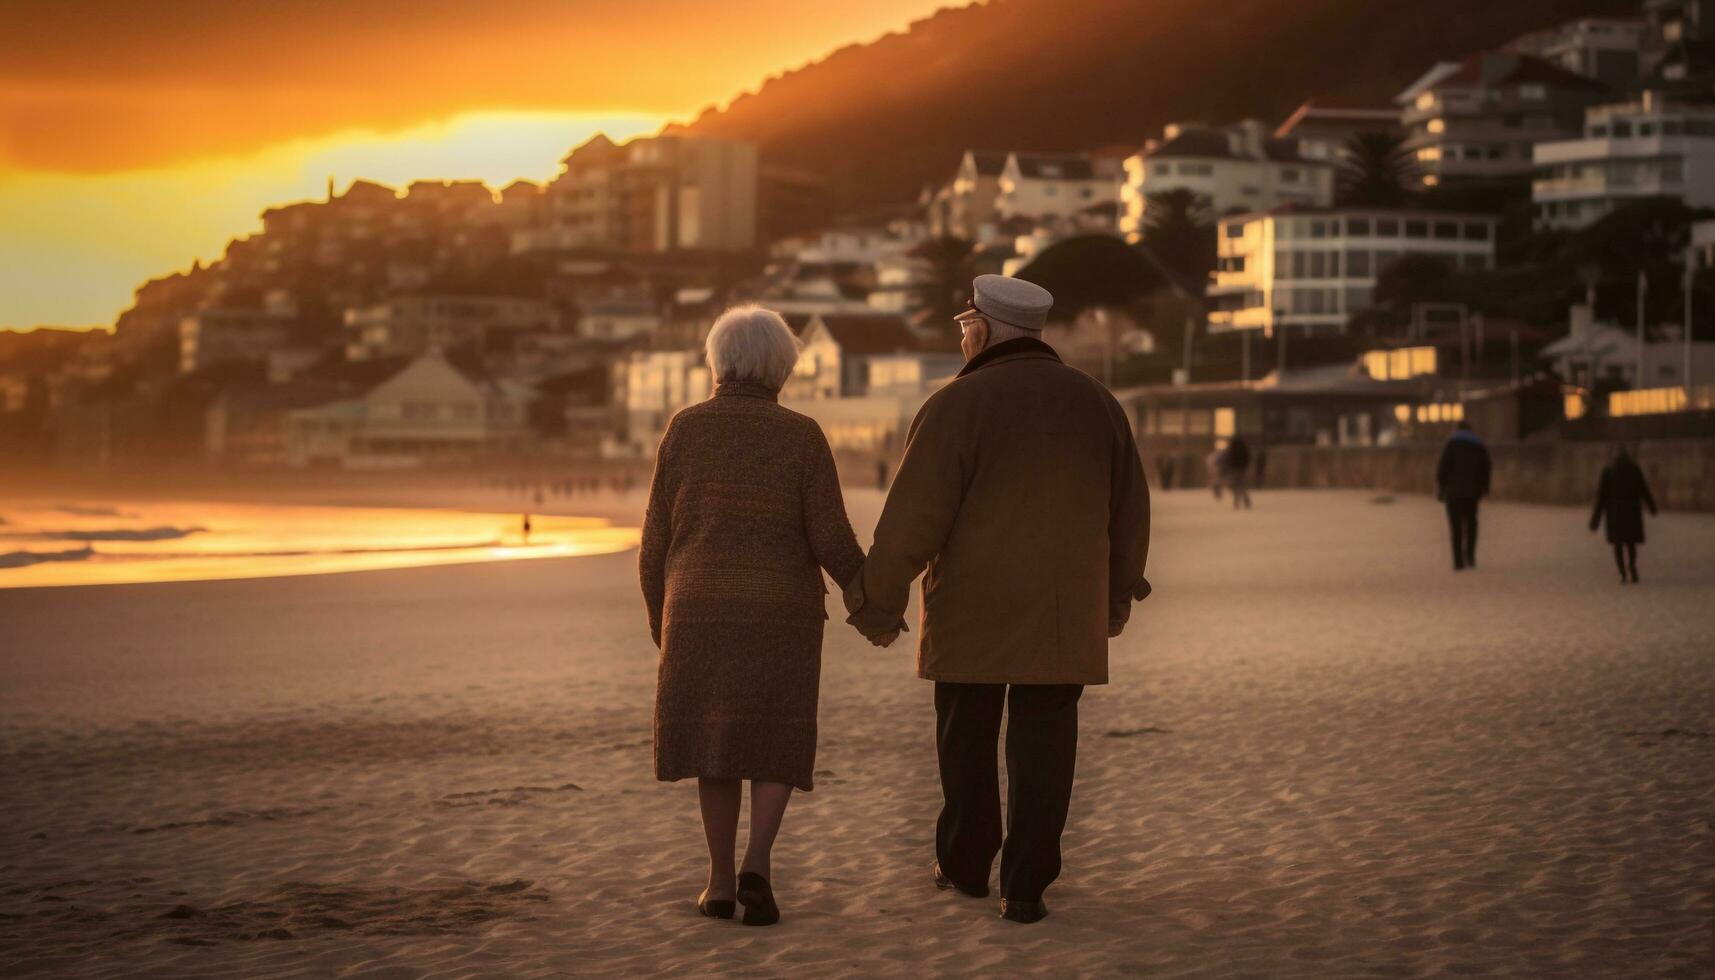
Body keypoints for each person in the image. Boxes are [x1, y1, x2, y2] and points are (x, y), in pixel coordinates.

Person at [846, 275, 1152, 925]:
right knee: (1046, 744)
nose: (961, 336)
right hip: (1062, 606)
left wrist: (877, 602)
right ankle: (1027, 885)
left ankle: (964, 866)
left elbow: (913, 519)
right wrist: (1116, 593)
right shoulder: (1096, 402)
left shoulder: (958, 403)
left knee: (965, 736)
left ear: (981, 330)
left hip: (972, 603)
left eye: (964, 326)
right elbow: (1128, 514)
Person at [639, 305, 878, 927]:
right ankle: (757, 870)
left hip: (697, 609)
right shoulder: (801, 435)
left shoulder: (684, 430)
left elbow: (654, 542)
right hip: (782, 613)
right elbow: (831, 538)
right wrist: (871, 602)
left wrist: (659, 618)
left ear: (719, 360)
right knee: (775, 739)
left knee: (714, 743)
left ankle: (718, 883)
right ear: (782, 365)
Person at [1590, 446, 1657, 584]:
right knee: (1631, 544)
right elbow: (1644, 490)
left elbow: (1601, 497)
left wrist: (1595, 521)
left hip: (1615, 515)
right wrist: (1652, 507)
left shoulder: (1608, 471)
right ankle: (1632, 565)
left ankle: (1622, 573)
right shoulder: (1634, 469)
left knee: (1618, 545)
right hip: (1631, 513)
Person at [1436, 421, 1491, 571]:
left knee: (1456, 527)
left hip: (1453, 492)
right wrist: (1484, 487)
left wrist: (1441, 487)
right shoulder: (1478, 445)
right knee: (1471, 524)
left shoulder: (1451, 444)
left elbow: (1442, 468)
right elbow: (1486, 467)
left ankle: (1458, 561)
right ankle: (1470, 556)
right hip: (1472, 492)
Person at [1223, 436, 1253, 510]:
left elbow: (1227, 458)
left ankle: (1237, 502)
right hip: (1241, 468)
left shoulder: (1231, 449)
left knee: (1234, 485)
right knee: (1241, 485)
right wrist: (1245, 466)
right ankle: (1245, 500)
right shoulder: (1244, 449)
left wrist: (1228, 466)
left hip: (1234, 469)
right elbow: (1248, 458)